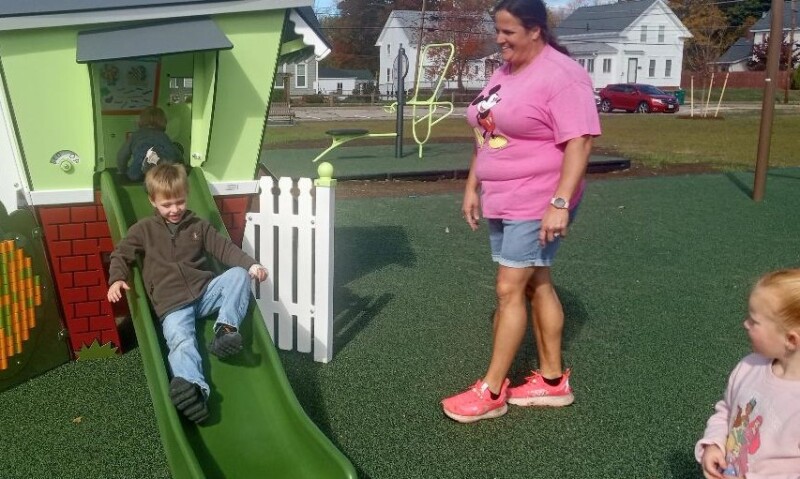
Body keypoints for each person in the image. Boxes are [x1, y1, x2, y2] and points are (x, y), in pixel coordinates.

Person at [441, 0, 600, 423]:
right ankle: (552, 381)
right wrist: (473, 185)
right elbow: (485, 130)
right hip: (503, 194)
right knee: (535, 283)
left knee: (509, 288)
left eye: (508, 31)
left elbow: (581, 142)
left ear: (535, 30)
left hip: (539, 197)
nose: (500, 39)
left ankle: (492, 390)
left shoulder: (563, 76)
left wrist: (559, 203)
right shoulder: (504, 72)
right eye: (497, 30)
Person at [106, 163, 268, 423]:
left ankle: (225, 330)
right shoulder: (143, 230)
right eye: (166, 204)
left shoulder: (198, 226)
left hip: (204, 293)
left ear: (187, 195)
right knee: (181, 340)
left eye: (179, 202)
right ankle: (193, 389)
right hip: (172, 305)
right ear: (152, 201)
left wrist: (251, 265)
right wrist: (116, 279)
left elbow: (225, 249)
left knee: (238, 275)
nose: (174, 209)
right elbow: (121, 253)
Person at [695, 269, 800, 478]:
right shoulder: (749, 367)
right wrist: (715, 444)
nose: (745, 324)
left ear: (790, 340)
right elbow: (727, 411)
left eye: (754, 321)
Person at [116, 106, 182, 182]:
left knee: (137, 168)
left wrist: (123, 170)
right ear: (163, 121)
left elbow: (121, 156)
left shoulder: (135, 136)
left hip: (137, 173)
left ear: (141, 120)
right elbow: (174, 154)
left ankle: (145, 163)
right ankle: (154, 163)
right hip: (160, 174)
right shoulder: (164, 136)